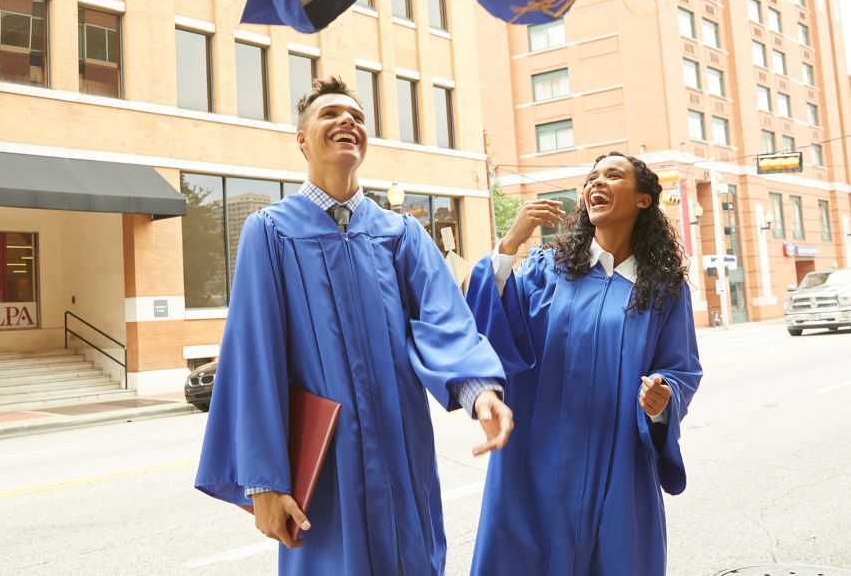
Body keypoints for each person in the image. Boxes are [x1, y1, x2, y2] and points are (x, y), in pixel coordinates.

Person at [195, 77, 513, 576]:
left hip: (403, 452)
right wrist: (264, 482)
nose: (347, 121)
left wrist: (479, 391)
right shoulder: (271, 232)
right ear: (302, 140)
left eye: (357, 117)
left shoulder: (400, 232)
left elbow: (444, 317)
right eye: (330, 115)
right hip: (328, 466)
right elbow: (254, 357)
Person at [465, 152, 702, 576]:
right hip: (536, 458)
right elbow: (488, 326)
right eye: (592, 177)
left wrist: (661, 398)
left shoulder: (664, 290)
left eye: (613, 175)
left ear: (643, 200)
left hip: (619, 461)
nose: (597, 183)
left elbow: (680, 368)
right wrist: (509, 245)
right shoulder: (546, 269)